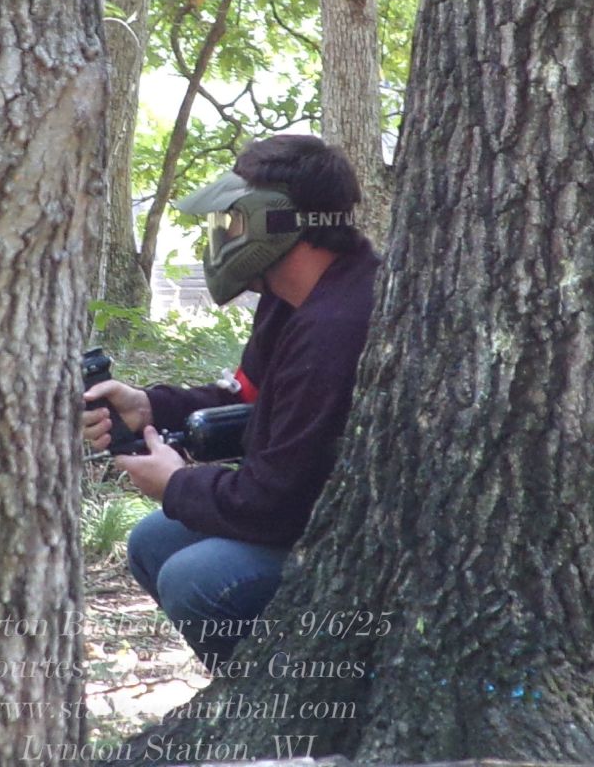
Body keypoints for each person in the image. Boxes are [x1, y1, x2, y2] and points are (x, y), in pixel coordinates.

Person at [82, 134, 380, 668]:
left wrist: (176, 484)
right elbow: (248, 397)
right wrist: (149, 407)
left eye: (233, 221)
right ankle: (249, 690)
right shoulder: (292, 298)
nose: (222, 234)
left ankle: (297, 700)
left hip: (351, 541)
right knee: (153, 540)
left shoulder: (337, 326)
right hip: (304, 514)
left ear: (276, 222)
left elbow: (276, 503)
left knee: (197, 578)